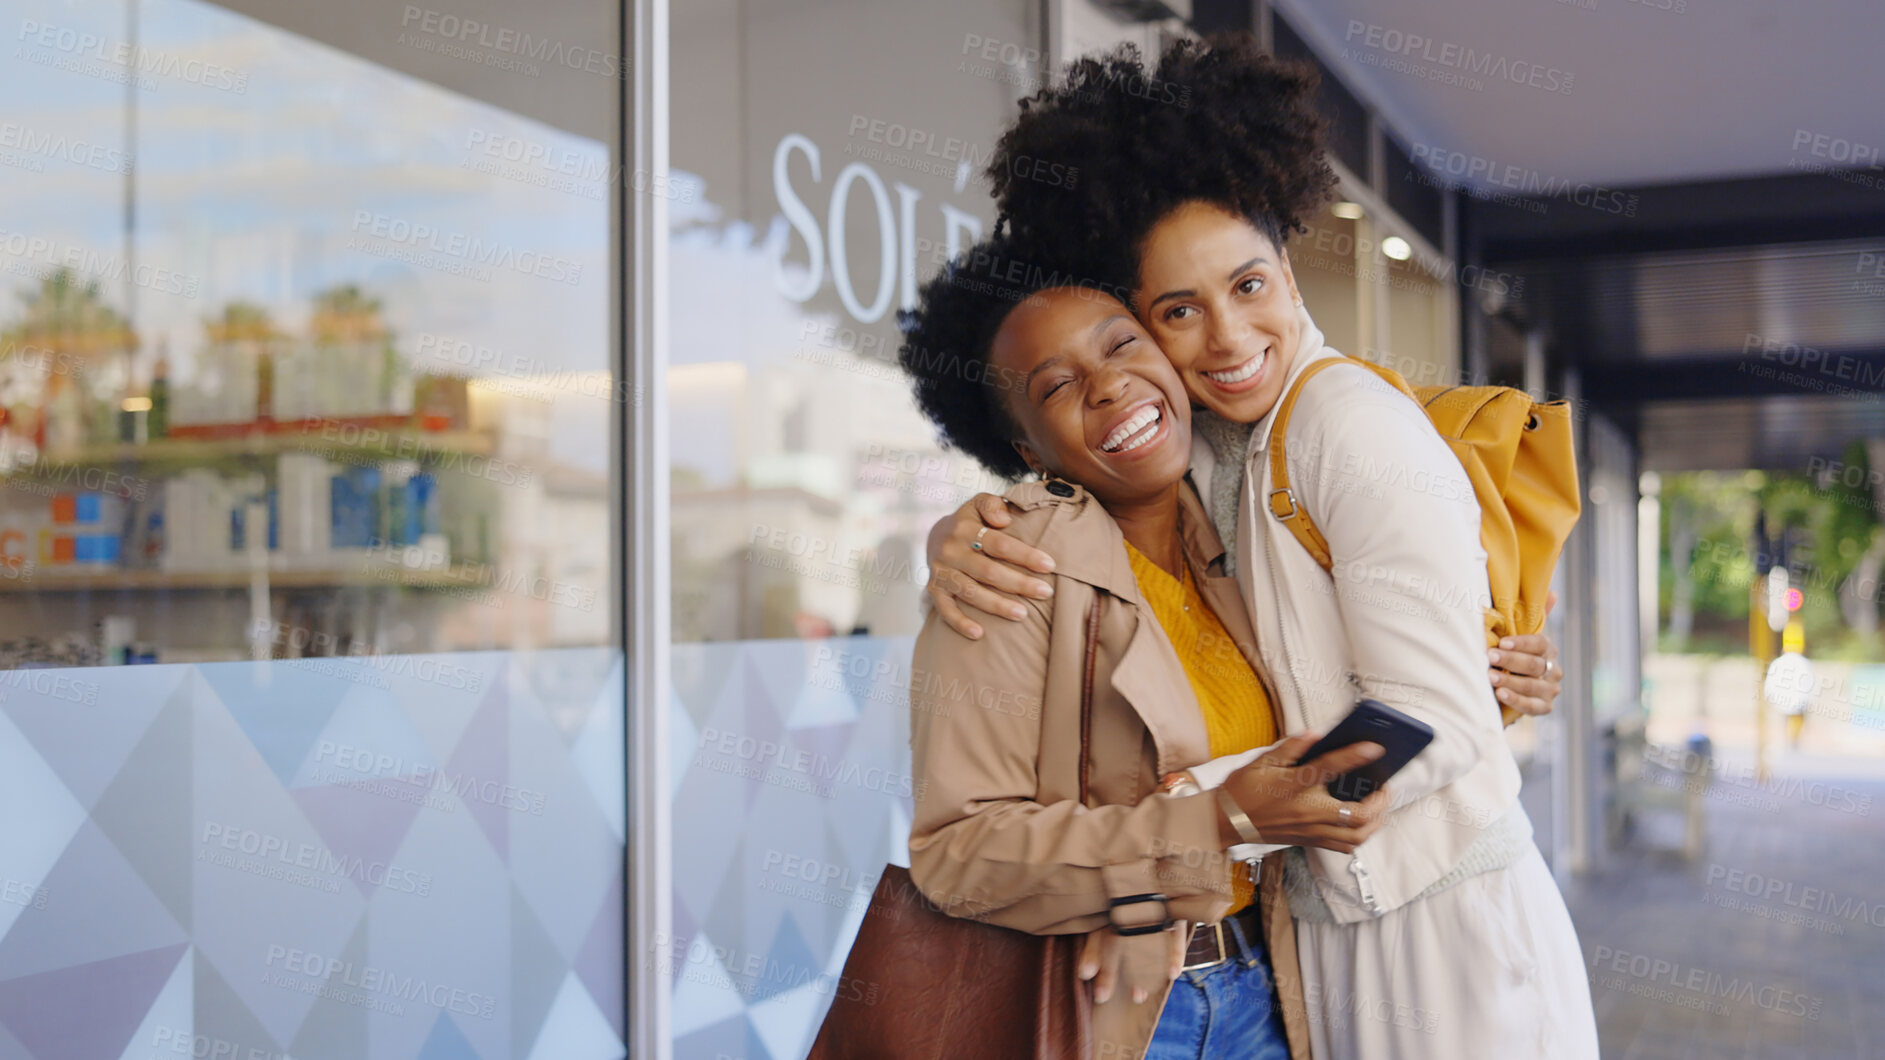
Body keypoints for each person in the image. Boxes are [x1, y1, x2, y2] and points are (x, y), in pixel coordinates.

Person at [923, 37, 1596, 1059]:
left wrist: (1212, 810)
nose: (1226, 339)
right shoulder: (1200, 476)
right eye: (1176, 311)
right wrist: (962, 525)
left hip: (1425, 923)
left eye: (1247, 284)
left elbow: (1429, 713)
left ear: (1290, 263)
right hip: (1278, 958)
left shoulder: (1339, 422)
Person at [901, 235, 1391, 1060]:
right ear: (1028, 450)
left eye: (1122, 343)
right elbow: (956, 856)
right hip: (1114, 1012)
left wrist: (1508, 655)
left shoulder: (1242, 532)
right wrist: (1217, 818)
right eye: (1057, 386)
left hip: (1265, 987)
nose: (1109, 385)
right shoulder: (1012, 569)